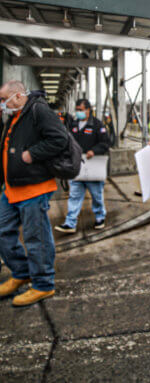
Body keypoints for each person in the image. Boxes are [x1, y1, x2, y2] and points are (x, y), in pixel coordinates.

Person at [0, 82, 67, 306]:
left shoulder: (39, 111)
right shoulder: (15, 116)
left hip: (34, 187)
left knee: (36, 237)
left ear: (18, 96)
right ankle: (21, 272)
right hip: (12, 188)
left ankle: (43, 284)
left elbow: (60, 139)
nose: (2, 104)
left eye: (3, 99)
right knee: (2, 230)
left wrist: (32, 154)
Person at [55, 99, 111, 233]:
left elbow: (106, 142)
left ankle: (100, 218)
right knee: (74, 195)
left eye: (81, 110)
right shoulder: (73, 125)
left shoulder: (97, 125)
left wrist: (94, 150)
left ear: (88, 110)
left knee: (96, 195)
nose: (78, 112)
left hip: (93, 167)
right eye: (77, 110)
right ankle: (70, 223)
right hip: (77, 167)